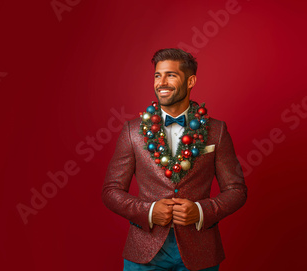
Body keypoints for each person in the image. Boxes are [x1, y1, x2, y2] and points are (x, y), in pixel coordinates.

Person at [101, 48, 247, 271]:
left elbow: (237, 190)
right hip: (144, 252)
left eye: (171, 75)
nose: (162, 82)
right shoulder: (132, 131)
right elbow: (111, 191)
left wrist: (200, 211)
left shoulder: (216, 131)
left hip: (200, 252)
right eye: (158, 75)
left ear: (191, 81)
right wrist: (149, 211)